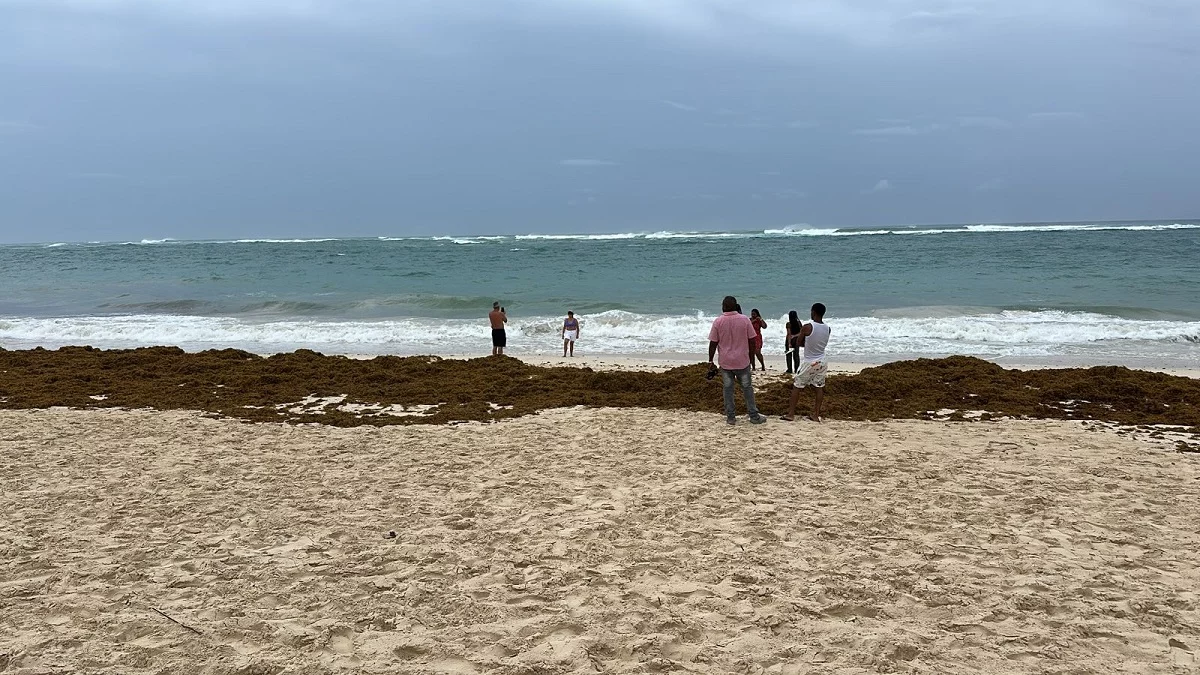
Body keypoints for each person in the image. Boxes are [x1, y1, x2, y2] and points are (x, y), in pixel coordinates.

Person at [708, 295, 767, 426]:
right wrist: (751, 358)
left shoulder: (718, 321)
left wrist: (710, 361)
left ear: (723, 307)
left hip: (726, 363)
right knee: (747, 388)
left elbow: (713, 343)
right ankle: (753, 415)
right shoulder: (745, 320)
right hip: (742, 361)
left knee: (728, 389)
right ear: (735, 306)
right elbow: (752, 341)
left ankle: (731, 417)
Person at [782, 303, 831, 422]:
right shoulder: (828, 328)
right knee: (819, 387)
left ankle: (791, 414)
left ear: (813, 312)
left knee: (797, 386)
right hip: (822, 361)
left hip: (810, 362)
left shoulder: (807, 327)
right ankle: (816, 415)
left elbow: (799, 343)